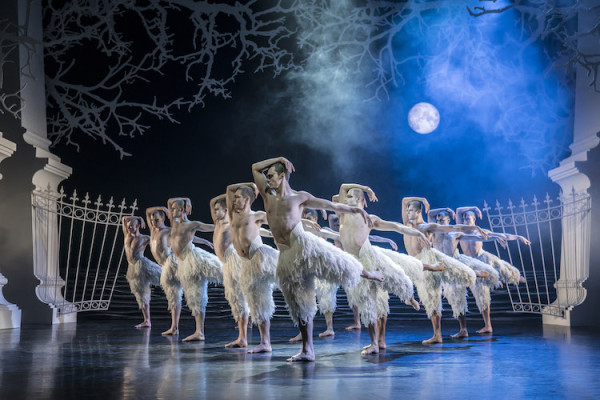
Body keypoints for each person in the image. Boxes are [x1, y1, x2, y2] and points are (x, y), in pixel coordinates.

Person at [252, 156, 383, 362]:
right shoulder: (268, 195)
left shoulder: (299, 197)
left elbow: (331, 206)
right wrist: (278, 158)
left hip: (304, 246)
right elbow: (254, 167)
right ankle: (307, 350)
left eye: (271, 176)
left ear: (282, 176)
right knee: (300, 305)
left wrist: (355, 209)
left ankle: (368, 273)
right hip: (286, 256)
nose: (268, 180)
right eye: (267, 177)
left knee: (339, 263)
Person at [337, 184, 428, 354]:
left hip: (370, 257)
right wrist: (366, 188)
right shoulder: (342, 214)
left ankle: (408, 297)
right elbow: (342, 187)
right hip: (356, 265)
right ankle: (375, 343)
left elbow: (396, 226)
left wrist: (419, 234)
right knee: (368, 304)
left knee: (393, 278)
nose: (343, 198)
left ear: (358, 199)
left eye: (349, 197)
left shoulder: (369, 218)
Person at [402, 197, 488, 344]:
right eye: (407, 210)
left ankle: (442, 334)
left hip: (428, 261)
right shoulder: (406, 225)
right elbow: (404, 200)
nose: (407, 212)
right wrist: (422, 199)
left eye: (410, 210)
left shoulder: (427, 226)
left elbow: (454, 228)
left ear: (418, 211)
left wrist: (475, 228)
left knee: (441, 296)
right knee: (424, 294)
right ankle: (410, 299)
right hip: (415, 263)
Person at [456, 206, 530, 334]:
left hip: (482, 257)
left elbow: (502, 235)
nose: (466, 220)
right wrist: (474, 207)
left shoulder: (481, 231)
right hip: (470, 264)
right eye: (465, 219)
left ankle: (515, 277)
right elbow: (458, 210)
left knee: (499, 264)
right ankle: (488, 326)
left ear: (474, 219)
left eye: (469, 218)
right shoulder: (460, 230)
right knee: (481, 295)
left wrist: (518, 237)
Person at [427, 208, 498, 339]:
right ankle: (437, 334)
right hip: (438, 267)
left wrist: (498, 237)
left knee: (457, 298)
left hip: (453, 266)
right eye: (438, 220)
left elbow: (475, 235)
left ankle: (463, 329)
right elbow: (430, 214)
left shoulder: (455, 233)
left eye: (442, 220)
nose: (439, 222)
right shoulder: (434, 231)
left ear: (449, 220)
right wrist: (446, 209)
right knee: (436, 298)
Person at [226, 183, 279, 353]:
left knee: (261, 301)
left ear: (247, 199)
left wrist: (305, 223)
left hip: (259, 259)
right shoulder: (233, 217)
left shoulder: (257, 216)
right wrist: (250, 185)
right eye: (234, 198)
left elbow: (281, 218)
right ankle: (244, 339)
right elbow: (229, 189)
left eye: (238, 198)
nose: (234, 201)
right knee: (253, 302)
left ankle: (266, 342)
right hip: (246, 264)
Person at [168, 197, 223, 342]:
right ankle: (199, 331)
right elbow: (184, 238)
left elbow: (212, 227)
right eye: (171, 208)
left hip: (192, 260)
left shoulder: (191, 224)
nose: (170, 210)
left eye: (174, 209)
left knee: (197, 294)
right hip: (182, 262)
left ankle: (200, 332)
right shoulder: (174, 223)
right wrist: (186, 200)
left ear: (181, 210)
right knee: (193, 296)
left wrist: (226, 222)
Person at [208, 194, 250, 348]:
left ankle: (243, 337)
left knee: (238, 297)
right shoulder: (217, 222)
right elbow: (212, 201)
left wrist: (230, 195)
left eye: (218, 210)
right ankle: (243, 334)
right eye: (215, 210)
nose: (215, 212)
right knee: (234, 298)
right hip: (226, 263)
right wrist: (227, 194)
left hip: (233, 261)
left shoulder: (229, 223)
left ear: (226, 210)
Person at [122, 215, 162, 328]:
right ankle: (147, 321)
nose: (129, 229)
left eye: (132, 227)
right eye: (128, 227)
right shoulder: (126, 235)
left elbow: (158, 243)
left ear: (138, 226)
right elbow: (124, 218)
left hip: (142, 264)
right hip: (132, 268)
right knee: (141, 294)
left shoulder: (144, 238)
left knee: (164, 276)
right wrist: (139, 217)